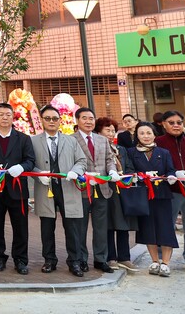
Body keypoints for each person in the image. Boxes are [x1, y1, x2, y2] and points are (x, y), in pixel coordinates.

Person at [31, 104, 86, 276]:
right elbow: (28, 162)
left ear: (60, 121)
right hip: (45, 187)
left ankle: (74, 261)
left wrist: (74, 172)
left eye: (55, 118)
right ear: (41, 121)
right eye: (47, 118)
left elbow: (82, 161)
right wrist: (38, 173)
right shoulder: (33, 141)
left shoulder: (71, 140)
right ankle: (49, 260)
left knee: (72, 227)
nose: (51, 121)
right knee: (47, 226)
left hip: (67, 187)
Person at [0, 102, 35, 275]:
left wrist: (21, 167)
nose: (5, 117)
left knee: (20, 227)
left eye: (8, 114)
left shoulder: (23, 138)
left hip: (17, 190)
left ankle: (20, 260)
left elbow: (30, 160)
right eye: (1, 114)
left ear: (13, 116)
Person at [125, 121, 177, 277]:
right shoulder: (131, 152)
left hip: (162, 194)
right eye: (142, 133)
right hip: (143, 195)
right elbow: (130, 171)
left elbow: (170, 170)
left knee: (165, 227)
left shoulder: (164, 152)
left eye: (148, 133)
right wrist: (138, 177)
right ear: (137, 136)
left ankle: (166, 263)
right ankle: (154, 261)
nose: (145, 136)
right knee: (148, 228)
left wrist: (171, 177)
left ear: (154, 134)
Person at [72, 107, 114, 273]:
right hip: (81, 189)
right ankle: (81, 259)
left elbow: (109, 159)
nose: (88, 121)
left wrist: (111, 171)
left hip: (102, 189)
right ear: (77, 120)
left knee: (101, 227)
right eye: (84, 118)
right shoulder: (70, 140)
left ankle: (101, 259)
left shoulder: (102, 140)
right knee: (80, 227)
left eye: (91, 118)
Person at [95, 117, 138, 271]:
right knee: (108, 224)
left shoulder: (121, 149)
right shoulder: (97, 148)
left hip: (122, 190)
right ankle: (110, 257)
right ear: (98, 131)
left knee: (123, 224)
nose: (111, 133)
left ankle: (125, 257)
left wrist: (127, 177)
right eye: (107, 130)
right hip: (106, 190)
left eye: (113, 130)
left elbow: (130, 167)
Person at [154, 110, 185, 272]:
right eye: (171, 122)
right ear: (163, 124)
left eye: (179, 122)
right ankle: (159, 260)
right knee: (166, 225)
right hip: (169, 190)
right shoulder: (157, 142)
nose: (176, 125)